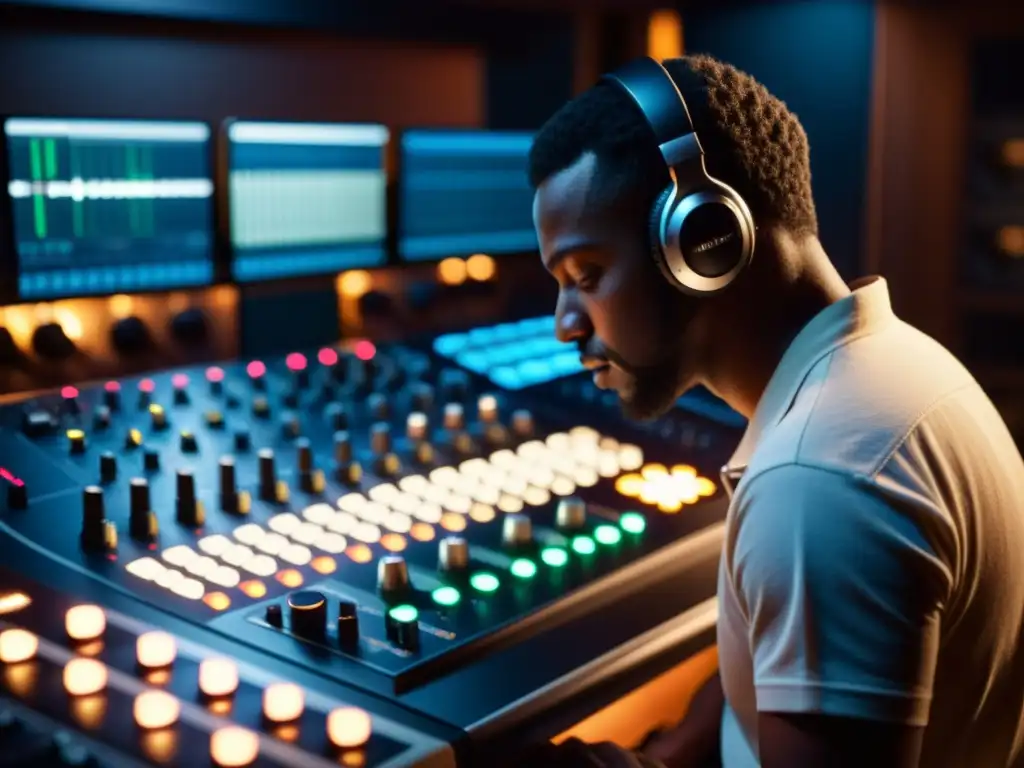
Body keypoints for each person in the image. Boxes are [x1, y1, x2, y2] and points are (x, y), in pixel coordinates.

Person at [524, 54, 1024, 768]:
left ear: (703, 241)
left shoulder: (818, 482)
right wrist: (668, 756)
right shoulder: (904, 365)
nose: (565, 324)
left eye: (586, 275)